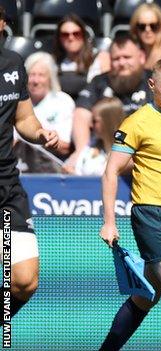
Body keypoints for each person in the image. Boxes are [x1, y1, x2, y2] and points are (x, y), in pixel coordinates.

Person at [98, 58, 161, 351]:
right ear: (152, 85)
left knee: (145, 295)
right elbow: (110, 171)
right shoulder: (137, 122)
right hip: (154, 213)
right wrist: (109, 221)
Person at [0, 6, 60, 317]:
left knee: (24, 281)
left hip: (6, 189)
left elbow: (23, 119)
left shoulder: (12, 65)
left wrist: (40, 133)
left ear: (3, 23)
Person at [66, 34, 151, 174]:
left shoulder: (153, 81)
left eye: (127, 57)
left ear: (141, 57)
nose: (122, 63)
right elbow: (81, 114)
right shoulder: (99, 81)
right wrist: (80, 154)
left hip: (145, 153)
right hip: (107, 152)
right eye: (116, 59)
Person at [13, 51, 74, 173]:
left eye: (41, 75)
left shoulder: (63, 101)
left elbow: (65, 147)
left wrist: (44, 139)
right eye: (32, 74)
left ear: (50, 78)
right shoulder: (15, 99)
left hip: (51, 168)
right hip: (17, 165)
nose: (36, 80)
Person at [53, 14, 111, 99]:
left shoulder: (100, 58)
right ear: (59, 38)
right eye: (65, 34)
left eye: (76, 34)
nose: (71, 38)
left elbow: (107, 91)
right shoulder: (52, 62)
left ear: (83, 35)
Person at [74, 97, 125, 176]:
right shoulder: (90, 147)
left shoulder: (126, 150)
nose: (90, 125)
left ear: (108, 122)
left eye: (94, 121)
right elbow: (77, 171)